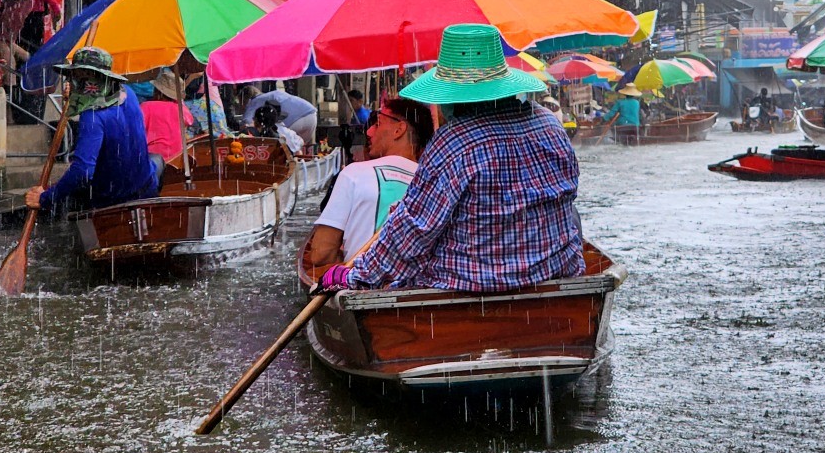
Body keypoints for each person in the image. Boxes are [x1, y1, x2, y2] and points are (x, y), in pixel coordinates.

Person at [318, 23, 584, 293]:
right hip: (552, 272)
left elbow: (415, 231)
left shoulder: (454, 141)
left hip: (472, 285)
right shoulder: (549, 124)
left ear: (454, 97)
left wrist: (355, 276)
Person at [24, 47, 158, 212]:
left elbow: (83, 171)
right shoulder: (127, 93)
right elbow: (95, 100)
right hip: (146, 185)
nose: (73, 81)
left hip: (115, 200)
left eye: (78, 77)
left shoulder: (93, 116)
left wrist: (46, 198)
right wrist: (74, 96)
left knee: (73, 189)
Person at [308, 96, 435, 265]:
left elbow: (321, 254)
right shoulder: (435, 182)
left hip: (360, 283)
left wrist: (343, 259)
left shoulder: (353, 174)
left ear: (399, 130)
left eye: (378, 124)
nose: (369, 132)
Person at [138, 68, 194, 162]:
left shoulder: (146, 107)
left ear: (158, 92)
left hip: (152, 159)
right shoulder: (182, 110)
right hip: (175, 159)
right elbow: (189, 121)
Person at [242, 88, 318, 146]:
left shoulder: (255, 100)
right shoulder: (274, 93)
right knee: (299, 147)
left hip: (294, 121)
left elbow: (246, 122)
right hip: (312, 115)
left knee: (281, 146)